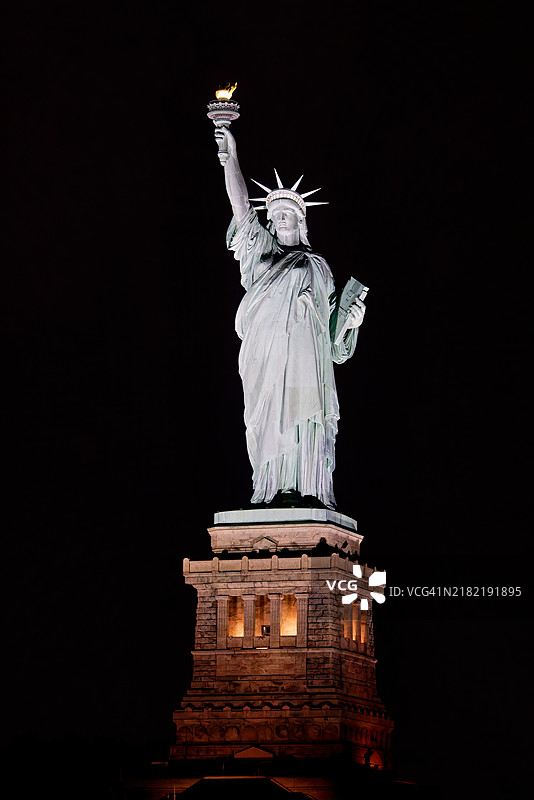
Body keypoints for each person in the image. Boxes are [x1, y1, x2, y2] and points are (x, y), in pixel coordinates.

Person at [215, 126, 366, 509]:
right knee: (270, 416)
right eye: (275, 213)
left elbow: (334, 344)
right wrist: (231, 157)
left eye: (288, 213)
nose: (280, 217)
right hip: (267, 357)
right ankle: (273, 486)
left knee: (305, 415)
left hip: (308, 361)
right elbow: (240, 208)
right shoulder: (261, 254)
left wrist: (351, 322)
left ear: (302, 222)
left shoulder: (318, 267)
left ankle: (308, 485)